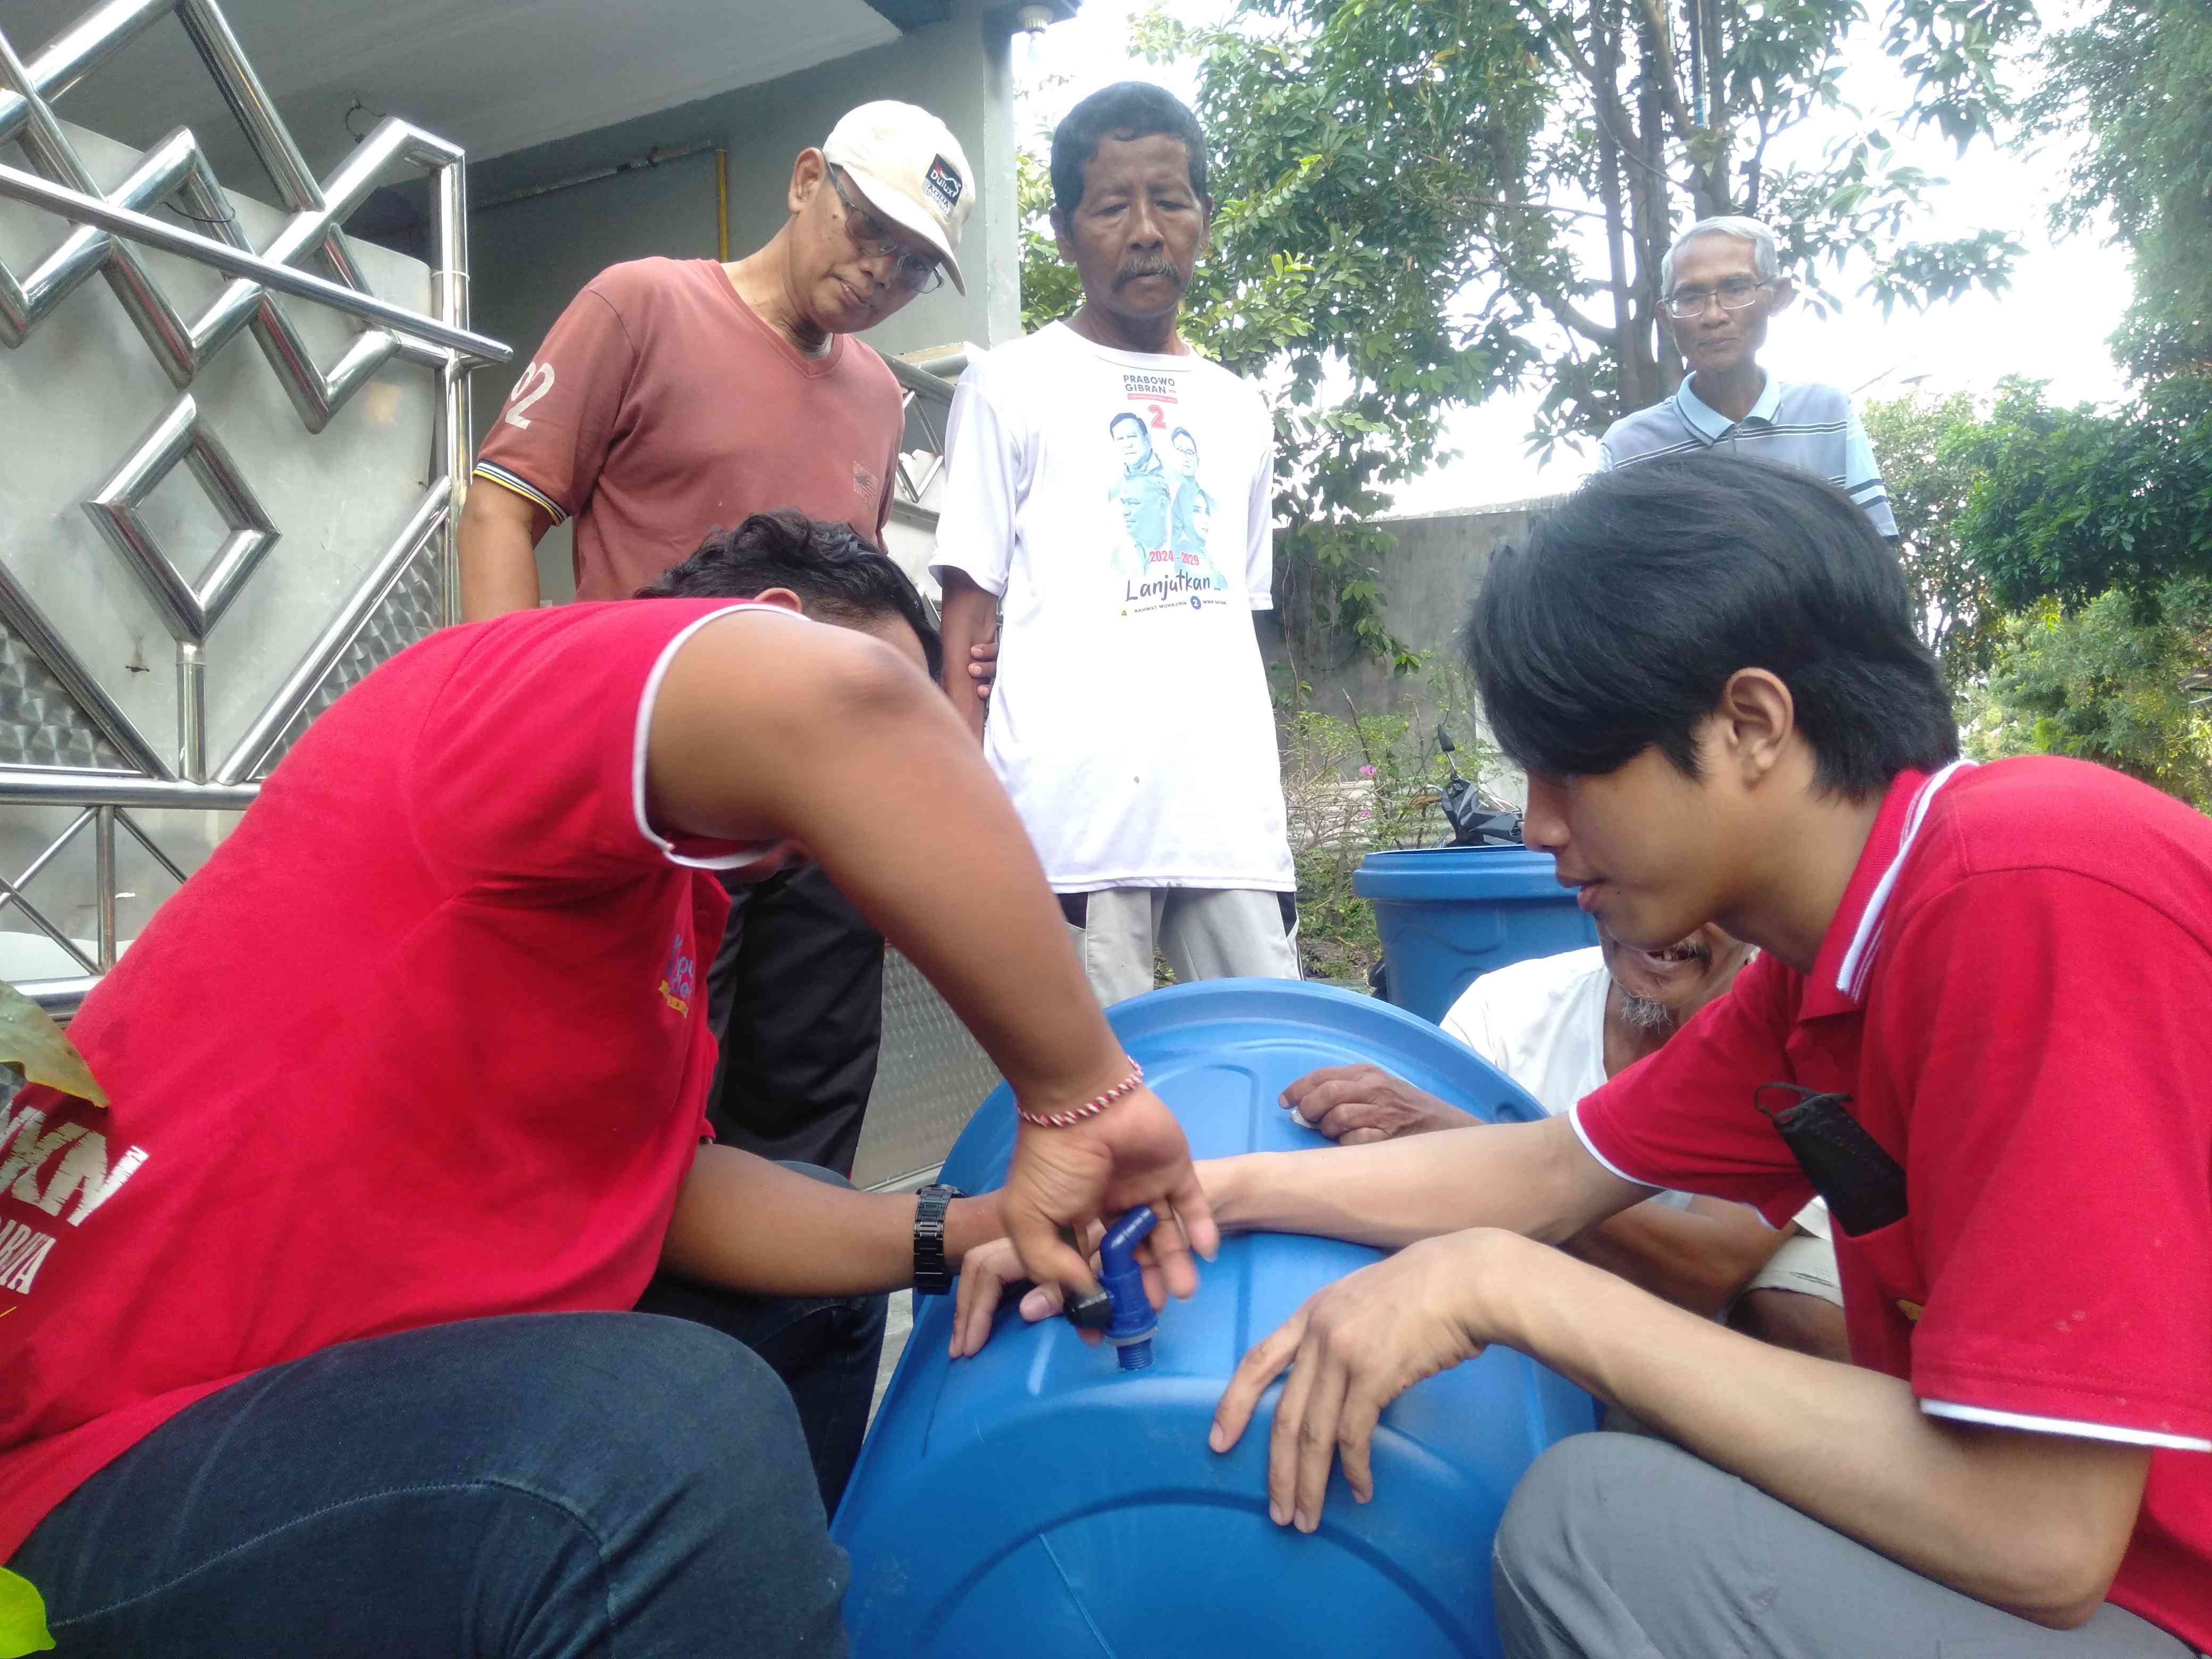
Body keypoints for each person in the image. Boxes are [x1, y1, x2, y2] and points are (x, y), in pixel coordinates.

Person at [967, 457, 2210, 1657]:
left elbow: (2041, 1531)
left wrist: (1508, 1287)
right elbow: (1544, 1171)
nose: (1541, 825)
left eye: (1572, 767)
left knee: (1597, 1530)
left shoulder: (2029, 889)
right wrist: (1207, 1191)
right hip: (2099, 1586)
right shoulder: (1822, 969)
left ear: (1749, 723)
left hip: (2155, 1603)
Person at [0, 515, 1214, 1656]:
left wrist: (969, 1229)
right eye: (919, 706)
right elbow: (842, 703)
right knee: (665, 1432)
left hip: (312, 1423)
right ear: (768, 619)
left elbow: (659, 1189)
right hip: (90, 1468)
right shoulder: (504, 685)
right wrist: (1082, 1093)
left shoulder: (655, 911)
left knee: (818, 1289)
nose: (918, 768)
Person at [460, 100, 984, 1179]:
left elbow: (858, 598)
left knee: (809, 1109)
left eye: (915, 264)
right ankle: (644, 1347)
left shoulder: (881, 398)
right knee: (647, 1113)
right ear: (805, 181)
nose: (882, 271)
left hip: (825, 813)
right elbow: (501, 509)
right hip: (666, 802)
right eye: (869, 228)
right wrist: (517, 734)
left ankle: (789, 1346)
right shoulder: (642, 304)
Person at [932, 82, 1298, 1008]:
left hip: (1229, 826)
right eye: (1111, 206)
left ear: (1204, 221)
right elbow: (967, 617)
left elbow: (1234, 616)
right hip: (1073, 829)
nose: (1146, 230)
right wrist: (960, 815)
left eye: (1170, 201)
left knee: (1280, 1071)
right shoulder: (1009, 388)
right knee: (1095, 1107)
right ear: (1063, 231)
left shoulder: (1240, 408)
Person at [1279, 924, 1850, 1361]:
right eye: (1631, 877)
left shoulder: (1798, 1034)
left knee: (1794, 1312)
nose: (1661, 926)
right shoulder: (1503, 1011)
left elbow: (1705, 1272)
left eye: (1704, 895)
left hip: (1717, 1277)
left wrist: (1463, 1142)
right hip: (1543, 1288)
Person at [1599, 215, 1899, 538]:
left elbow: (1875, 554)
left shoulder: (1828, 415)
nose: (1713, 316)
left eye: (1736, 288)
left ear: (1778, 296)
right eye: (1690, 297)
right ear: (1667, 319)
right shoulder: (1628, 449)